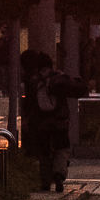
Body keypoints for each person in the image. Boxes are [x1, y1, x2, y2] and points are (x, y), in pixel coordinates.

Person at [20, 50, 87, 192]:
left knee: (44, 151)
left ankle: (45, 181)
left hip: (42, 122)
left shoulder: (33, 80)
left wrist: (29, 120)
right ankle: (59, 174)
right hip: (60, 120)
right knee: (62, 148)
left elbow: (29, 104)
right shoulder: (58, 77)